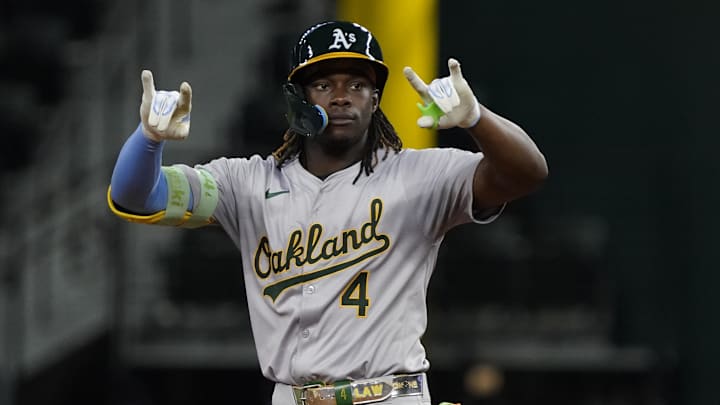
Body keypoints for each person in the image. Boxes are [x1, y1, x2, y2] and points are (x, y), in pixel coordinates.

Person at [108, 20, 547, 405]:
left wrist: (476, 119)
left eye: (357, 85)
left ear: (375, 101)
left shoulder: (419, 175)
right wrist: (148, 139)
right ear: (297, 99)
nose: (341, 97)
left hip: (388, 395)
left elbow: (526, 174)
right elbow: (138, 196)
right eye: (323, 85)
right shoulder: (246, 183)